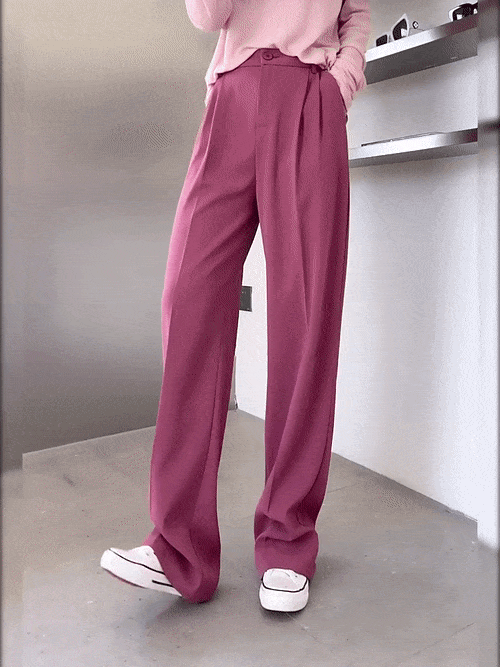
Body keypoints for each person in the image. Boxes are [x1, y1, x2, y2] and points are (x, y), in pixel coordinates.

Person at [101, 0, 371, 613]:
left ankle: (287, 539)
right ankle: (178, 549)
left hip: (310, 95)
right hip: (231, 94)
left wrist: (341, 81)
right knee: (188, 298)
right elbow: (207, 15)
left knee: (306, 317)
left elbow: (356, 11)